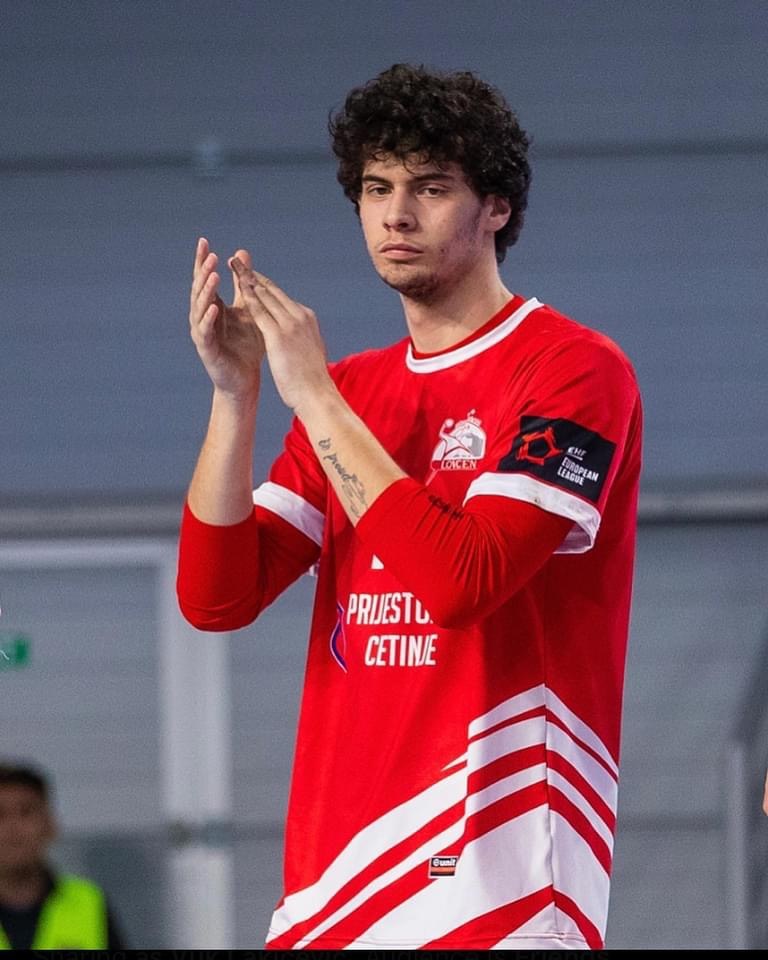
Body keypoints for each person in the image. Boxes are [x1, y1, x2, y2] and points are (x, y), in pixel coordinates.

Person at [178, 63, 642, 950]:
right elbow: (217, 596)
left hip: (496, 882)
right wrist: (237, 396)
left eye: (431, 188)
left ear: (496, 207)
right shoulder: (353, 391)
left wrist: (311, 397)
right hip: (333, 888)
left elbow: (462, 581)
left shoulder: (574, 369)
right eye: (376, 188)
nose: (395, 215)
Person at [0, 762, 126, 950]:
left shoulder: (90, 903)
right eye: (0, 814)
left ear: (50, 825)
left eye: (26, 812)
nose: (13, 828)